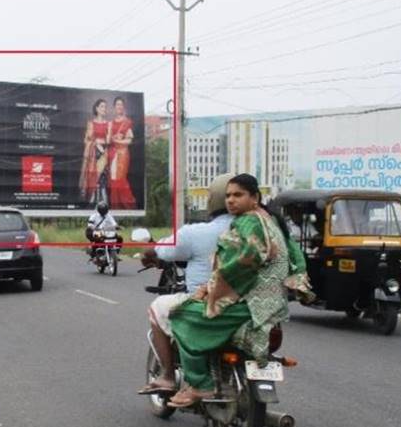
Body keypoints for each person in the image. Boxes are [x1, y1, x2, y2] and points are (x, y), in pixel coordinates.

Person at [163, 173, 309, 408]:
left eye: (238, 195)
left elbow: (241, 265)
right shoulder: (270, 220)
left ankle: (200, 384)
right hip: (273, 305)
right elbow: (296, 259)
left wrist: (210, 291)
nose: (231, 200)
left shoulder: (249, 222)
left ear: (255, 197)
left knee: (180, 316)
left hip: (250, 305)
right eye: (228, 195)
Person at [137, 174, 235, 394]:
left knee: (157, 307)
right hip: (250, 303)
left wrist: (150, 252)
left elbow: (166, 249)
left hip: (209, 300)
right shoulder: (262, 228)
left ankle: (168, 376)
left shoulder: (197, 232)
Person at [78, 99, 112, 205]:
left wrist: (101, 144)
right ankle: (92, 200)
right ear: (96, 108)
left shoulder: (108, 124)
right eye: (102, 106)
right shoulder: (91, 123)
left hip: (104, 154)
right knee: (93, 177)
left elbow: (109, 140)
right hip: (93, 154)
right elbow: (86, 140)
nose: (104, 109)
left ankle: (103, 203)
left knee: (102, 178)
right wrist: (95, 143)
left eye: (105, 107)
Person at [107, 97, 137, 209]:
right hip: (112, 153)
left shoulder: (127, 122)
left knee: (120, 179)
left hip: (123, 153)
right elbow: (108, 139)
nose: (119, 106)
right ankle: (115, 206)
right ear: (114, 107)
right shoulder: (111, 123)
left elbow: (129, 140)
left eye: (121, 104)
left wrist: (117, 140)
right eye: (117, 104)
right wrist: (113, 139)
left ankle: (129, 205)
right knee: (113, 180)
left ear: (123, 107)